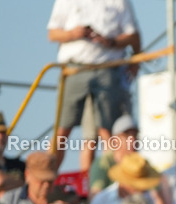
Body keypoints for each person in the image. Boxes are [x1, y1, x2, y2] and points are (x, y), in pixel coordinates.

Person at [47, 0, 141, 168]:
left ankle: (109, 180)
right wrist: (74, 34)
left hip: (108, 69)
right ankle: (47, 176)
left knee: (107, 132)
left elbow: (133, 35)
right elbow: (52, 33)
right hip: (75, 69)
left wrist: (110, 42)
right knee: (63, 129)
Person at [88, 114, 139, 196]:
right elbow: (95, 197)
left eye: (135, 135)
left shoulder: (141, 164)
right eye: (127, 135)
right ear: (115, 140)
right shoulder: (104, 163)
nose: (132, 139)